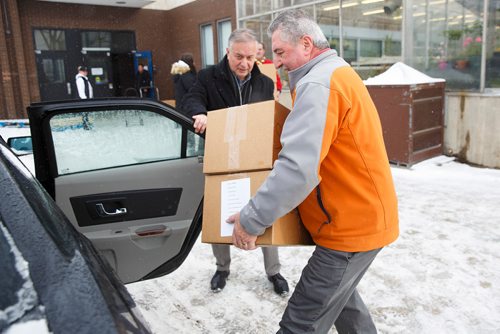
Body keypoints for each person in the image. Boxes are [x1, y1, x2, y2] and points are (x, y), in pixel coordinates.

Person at [228, 9, 399, 334]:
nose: (275, 62)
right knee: (345, 307)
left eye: (279, 52)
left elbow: (298, 167)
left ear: (306, 44)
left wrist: (251, 220)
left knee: (300, 324)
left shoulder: (320, 83)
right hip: (356, 220)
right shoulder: (334, 73)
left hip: (349, 230)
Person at [182, 28, 290, 296]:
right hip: (221, 156)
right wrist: (199, 113)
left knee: (264, 211)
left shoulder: (264, 83)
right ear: (228, 52)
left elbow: (269, 118)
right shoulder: (208, 77)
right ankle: (222, 267)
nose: (244, 63)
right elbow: (192, 98)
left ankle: (273, 270)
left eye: (250, 57)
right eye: (239, 56)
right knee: (219, 212)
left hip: (256, 156)